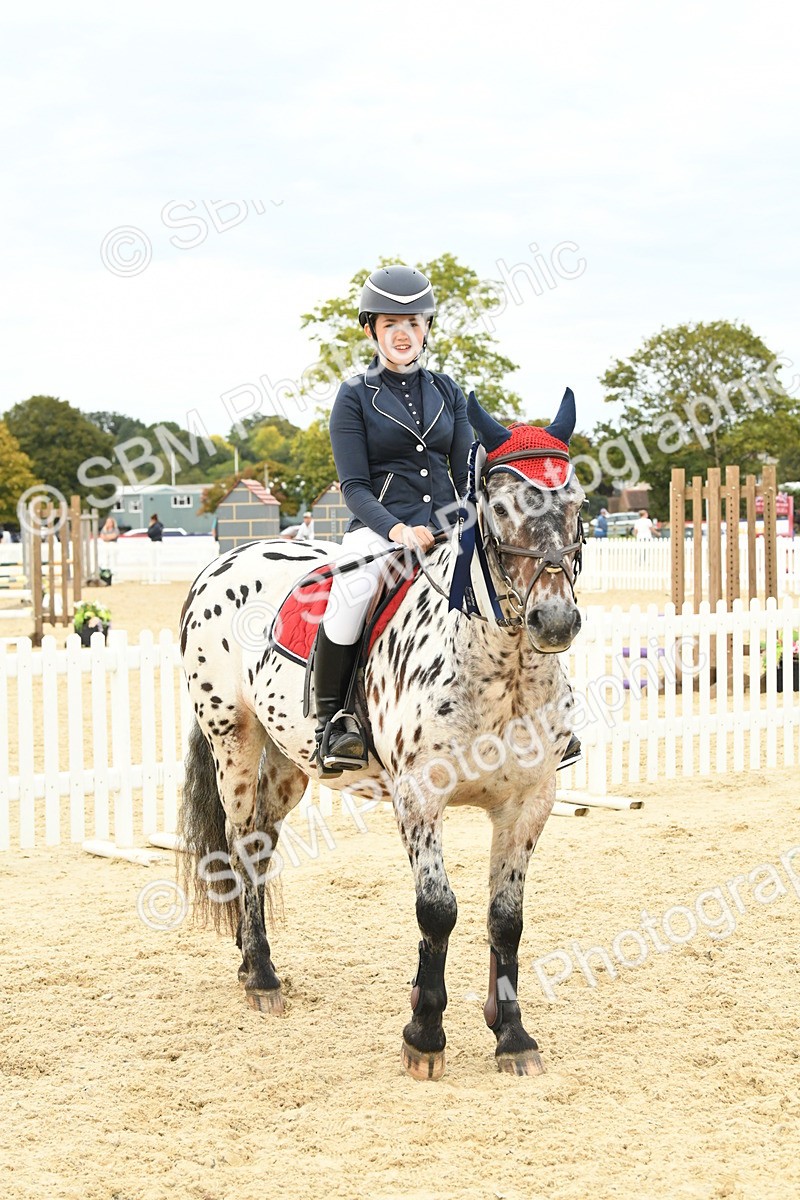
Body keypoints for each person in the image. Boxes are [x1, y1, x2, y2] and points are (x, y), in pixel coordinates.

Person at [313, 264, 472, 773]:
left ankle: (548, 712)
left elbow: (467, 467)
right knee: (349, 595)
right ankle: (334, 721)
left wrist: (468, 517)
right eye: (389, 324)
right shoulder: (354, 396)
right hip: (381, 530)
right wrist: (398, 530)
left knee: (512, 586)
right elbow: (354, 487)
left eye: (413, 323)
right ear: (371, 330)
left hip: (449, 527)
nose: (403, 333)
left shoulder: (448, 391)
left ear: (427, 329)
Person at [147, 513, 164, 583]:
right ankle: (157, 577)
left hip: (155, 542)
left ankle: (155, 577)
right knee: (157, 560)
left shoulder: (155, 526)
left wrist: (150, 527)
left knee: (155, 560)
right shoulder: (160, 525)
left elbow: (150, 534)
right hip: (158, 542)